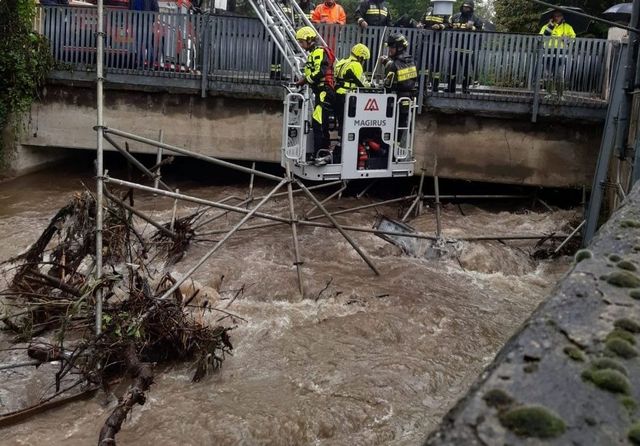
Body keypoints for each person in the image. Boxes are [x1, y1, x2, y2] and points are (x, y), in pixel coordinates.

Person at [295, 26, 336, 165]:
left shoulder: (318, 52)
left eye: (301, 41)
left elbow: (320, 72)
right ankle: (321, 152)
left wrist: (304, 81)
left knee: (318, 122)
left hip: (324, 91)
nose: (301, 45)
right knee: (320, 123)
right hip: (320, 91)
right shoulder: (314, 53)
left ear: (309, 39)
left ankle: (322, 153)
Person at [379, 33, 417, 147]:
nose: (389, 50)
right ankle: (397, 148)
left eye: (392, 47)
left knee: (391, 127)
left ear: (399, 48)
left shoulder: (394, 65)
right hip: (407, 100)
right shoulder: (410, 61)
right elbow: (408, 81)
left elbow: (388, 85)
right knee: (402, 126)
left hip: (395, 102)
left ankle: (389, 150)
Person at [447, 0, 483, 94]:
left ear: (471, 8)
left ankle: (465, 88)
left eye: (467, 7)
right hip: (454, 47)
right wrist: (451, 27)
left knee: (466, 70)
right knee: (452, 69)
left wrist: (472, 28)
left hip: (467, 49)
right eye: (464, 6)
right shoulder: (455, 16)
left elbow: (480, 30)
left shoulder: (475, 18)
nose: (465, 8)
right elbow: (447, 25)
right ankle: (450, 88)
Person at [539, 10, 576, 98]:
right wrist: (550, 27)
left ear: (562, 16)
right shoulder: (546, 26)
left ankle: (560, 95)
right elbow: (541, 38)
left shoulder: (568, 27)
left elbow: (573, 39)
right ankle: (549, 94)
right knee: (548, 75)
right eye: (555, 16)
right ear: (552, 17)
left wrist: (565, 39)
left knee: (560, 74)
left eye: (559, 16)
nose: (557, 18)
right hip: (548, 52)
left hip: (561, 53)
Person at [334, 43, 371, 132]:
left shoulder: (342, 61)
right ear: (361, 57)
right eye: (364, 59)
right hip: (348, 96)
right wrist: (370, 85)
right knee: (349, 123)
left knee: (341, 121)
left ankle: (340, 142)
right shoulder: (356, 65)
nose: (363, 62)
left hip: (338, 94)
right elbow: (362, 83)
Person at [421, 6, 449, 92]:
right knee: (423, 65)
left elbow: (448, 24)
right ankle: (422, 85)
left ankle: (435, 87)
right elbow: (422, 21)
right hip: (425, 42)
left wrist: (440, 26)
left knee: (436, 66)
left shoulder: (445, 11)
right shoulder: (428, 10)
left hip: (438, 43)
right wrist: (420, 24)